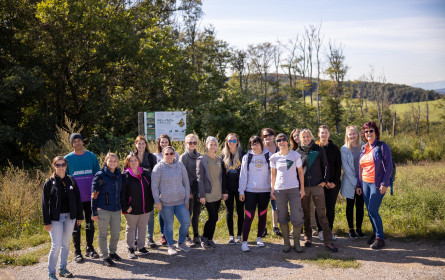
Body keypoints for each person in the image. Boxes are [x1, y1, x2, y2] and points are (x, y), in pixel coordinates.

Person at [297, 129, 338, 252]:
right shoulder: (297, 152)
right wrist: (299, 187)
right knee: (306, 214)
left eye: (308, 136)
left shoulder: (318, 149)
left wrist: (324, 181)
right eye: (304, 137)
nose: (306, 138)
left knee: (321, 214)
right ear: (300, 138)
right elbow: (295, 170)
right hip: (304, 188)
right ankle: (308, 238)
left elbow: (326, 166)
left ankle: (328, 240)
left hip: (317, 187)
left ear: (311, 137)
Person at [42, 156, 83, 280]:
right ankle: (51, 273)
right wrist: (46, 222)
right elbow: (44, 204)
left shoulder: (71, 180)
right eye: (58, 165)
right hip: (55, 219)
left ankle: (63, 268)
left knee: (66, 244)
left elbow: (77, 199)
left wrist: (79, 216)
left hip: (70, 217)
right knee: (56, 245)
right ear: (54, 166)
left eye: (63, 164)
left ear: (66, 165)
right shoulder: (49, 182)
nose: (60, 167)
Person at [64, 133, 100, 262]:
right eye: (75, 141)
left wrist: (97, 194)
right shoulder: (67, 159)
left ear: (83, 142)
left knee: (90, 223)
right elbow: (64, 179)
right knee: (76, 225)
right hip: (75, 199)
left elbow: (98, 176)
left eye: (79, 140)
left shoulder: (91, 156)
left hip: (90, 197)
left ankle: (90, 248)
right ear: (72, 144)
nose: (77, 143)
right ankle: (77, 252)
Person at [357, 121, 393, 249]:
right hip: (365, 183)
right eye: (366, 131)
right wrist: (358, 184)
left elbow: (389, 167)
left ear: (376, 132)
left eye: (371, 131)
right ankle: (375, 233)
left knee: (373, 210)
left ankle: (380, 238)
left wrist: (384, 183)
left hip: (377, 184)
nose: (368, 133)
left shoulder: (382, 146)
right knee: (370, 211)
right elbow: (360, 168)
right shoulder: (364, 148)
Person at [151, 146, 191, 255]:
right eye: (166, 154)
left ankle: (181, 242)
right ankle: (170, 245)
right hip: (165, 203)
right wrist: (157, 201)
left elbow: (186, 183)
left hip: (180, 202)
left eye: (171, 153)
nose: (169, 156)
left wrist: (187, 199)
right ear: (163, 155)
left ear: (174, 154)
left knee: (186, 222)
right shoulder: (158, 168)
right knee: (168, 225)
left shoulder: (180, 166)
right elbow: (154, 186)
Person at [270, 134, 305, 253]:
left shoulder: (295, 155)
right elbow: (273, 175)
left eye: (284, 140)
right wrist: (272, 189)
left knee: (297, 215)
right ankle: (286, 242)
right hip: (279, 190)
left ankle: (296, 242)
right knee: (282, 216)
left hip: (294, 189)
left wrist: (302, 189)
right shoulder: (274, 158)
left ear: (287, 142)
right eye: (279, 141)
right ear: (277, 143)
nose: (282, 142)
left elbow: (300, 173)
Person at [238, 136, 271, 252]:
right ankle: (245, 242)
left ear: (261, 144)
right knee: (249, 217)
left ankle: (259, 238)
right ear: (250, 145)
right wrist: (241, 191)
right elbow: (243, 175)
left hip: (265, 192)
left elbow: (272, 174)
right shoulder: (247, 157)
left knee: (262, 215)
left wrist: (272, 190)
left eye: (257, 144)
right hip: (250, 191)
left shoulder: (269, 156)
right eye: (253, 144)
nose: (255, 147)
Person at [91, 153, 123, 266]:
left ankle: (112, 252)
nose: (113, 162)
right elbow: (94, 194)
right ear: (106, 161)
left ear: (118, 163)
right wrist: (93, 212)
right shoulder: (100, 175)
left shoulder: (119, 174)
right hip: (103, 209)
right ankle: (105, 257)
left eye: (115, 160)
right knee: (103, 234)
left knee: (116, 234)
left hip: (116, 209)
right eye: (110, 160)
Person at [197, 136, 228, 249]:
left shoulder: (219, 160)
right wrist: (202, 195)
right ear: (206, 146)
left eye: (215, 145)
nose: (213, 146)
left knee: (214, 217)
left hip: (218, 193)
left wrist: (224, 192)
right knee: (213, 216)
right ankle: (204, 237)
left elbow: (222, 177)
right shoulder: (202, 159)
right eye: (211, 144)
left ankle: (210, 239)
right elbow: (199, 179)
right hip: (208, 193)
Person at [121, 153, 154, 259]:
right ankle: (130, 248)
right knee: (130, 228)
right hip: (131, 208)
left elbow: (150, 189)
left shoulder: (145, 173)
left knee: (142, 227)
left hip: (145, 207)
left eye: (135, 160)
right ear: (127, 163)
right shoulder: (125, 176)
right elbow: (122, 193)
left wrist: (151, 202)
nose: (134, 162)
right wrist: (126, 206)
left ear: (138, 161)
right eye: (131, 161)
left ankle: (141, 246)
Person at [315, 125, 341, 241]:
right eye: (322, 133)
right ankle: (321, 231)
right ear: (318, 134)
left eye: (326, 132)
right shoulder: (315, 148)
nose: (324, 135)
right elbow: (313, 167)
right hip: (320, 184)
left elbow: (338, 166)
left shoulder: (335, 148)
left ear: (329, 134)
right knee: (320, 208)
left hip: (332, 184)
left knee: (330, 208)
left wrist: (334, 182)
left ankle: (329, 230)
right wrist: (322, 182)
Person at [152, 134, 179, 245]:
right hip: (160, 188)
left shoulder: (175, 154)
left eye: (166, 142)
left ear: (169, 143)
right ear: (159, 143)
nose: (164, 144)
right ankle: (163, 235)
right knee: (161, 211)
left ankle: (169, 235)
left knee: (169, 213)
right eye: (162, 142)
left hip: (172, 187)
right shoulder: (155, 156)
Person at [132, 135, 158, 248]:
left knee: (150, 215)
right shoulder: (132, 157)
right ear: (136, 145)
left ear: (146, 145)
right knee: (137, 214)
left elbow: (156, 175)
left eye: (143, 143)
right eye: (139, 143)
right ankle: (136, 239)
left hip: (149, 190)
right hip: (135, 191)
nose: (141, 145)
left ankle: (150, 237)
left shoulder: (152, 157)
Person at [291, 128, 317, 237]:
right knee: (296, 206)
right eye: (295, 136)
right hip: (295, 182)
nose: (297, 137)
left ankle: (313, 226)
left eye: (298, 135)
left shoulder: (311, 148)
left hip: (308, 182)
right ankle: (298, 227)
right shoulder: (292, 151)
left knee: (310, 205)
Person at [340, 126, 366, 238]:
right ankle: (351, 230)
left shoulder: (364, 146)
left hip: (363, 181)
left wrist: (361, 183)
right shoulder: (344, 149)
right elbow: (346, 169)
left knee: (360, 206)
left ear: (358, 134)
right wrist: (356, 184)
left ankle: (359, 229)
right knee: (350, 205)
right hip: (350, 182)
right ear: (347, 135)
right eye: (350, 134)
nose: (352, 136)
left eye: (354, 133)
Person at [221, 133, 246, 244]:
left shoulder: (243, 155)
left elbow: (245, 174)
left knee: (240, 211)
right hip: (228, 189)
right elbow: (222, 175)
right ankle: (231, 236)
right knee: (229, 211)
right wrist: (224, 191)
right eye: (230, 140)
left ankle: (239, 235)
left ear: (237, 142)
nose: (232, 143)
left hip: (240, 188)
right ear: (227, 142)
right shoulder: (223, 155)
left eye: (234, 140)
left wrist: (243, 190)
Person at [179, 134, 202, 246]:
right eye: (190, 142)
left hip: (198, 188)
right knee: (188, 213)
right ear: (185, 144)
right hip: (188, 189)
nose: (192, 144)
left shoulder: (200, 156)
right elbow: (182, 176)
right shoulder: (183, 157)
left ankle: (196, 235)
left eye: (194, 142)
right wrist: (188, 192)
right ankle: (186, 236)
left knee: (197, 213)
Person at [261, 128, 281, 237]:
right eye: (265, 135)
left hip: (277, 180)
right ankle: (263, 228)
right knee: (263, 206)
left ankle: (275, 227)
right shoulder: (260, 148)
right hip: (263, 181)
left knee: (275, 205)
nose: (267, 137)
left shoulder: (279, 147)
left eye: (270, 134)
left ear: (273, 136)